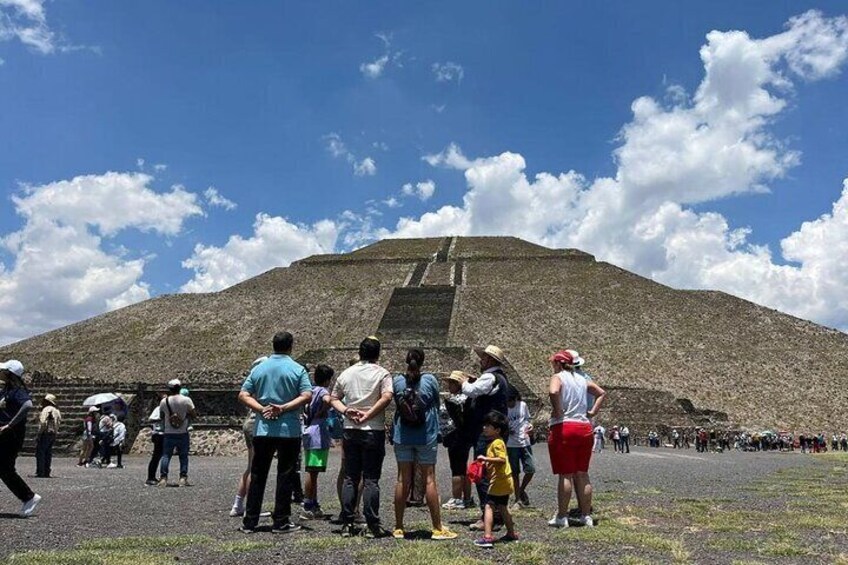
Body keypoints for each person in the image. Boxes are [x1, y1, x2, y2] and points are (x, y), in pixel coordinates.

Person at [238, 332, 312, 533]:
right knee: (286, 474)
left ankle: (250, 521)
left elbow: (243, 394)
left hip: (263, 428)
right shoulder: (297, 369)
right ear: (291, 346)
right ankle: (281, 520)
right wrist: (284, 407)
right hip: (289, 430)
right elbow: (307, 395)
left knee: (258, 474)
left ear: (273, 345)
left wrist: (261, 409)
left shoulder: (260, 369)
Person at [330, 336, 393, 539]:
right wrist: (369, 414)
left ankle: (347, 521)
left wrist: (346, 411)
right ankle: (373, 524)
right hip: (372, 429)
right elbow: (387, 396)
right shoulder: (382, 373)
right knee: (371, 479)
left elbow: (333, 398)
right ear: (377, 353)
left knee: (350, 477)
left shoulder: (347, 373)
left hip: (351, 429)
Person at [391, 348, 456, 540]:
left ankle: (398, 527)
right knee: (429, 479)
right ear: (422, 362)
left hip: (402, 435)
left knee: (403, 479)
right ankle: (437, 527)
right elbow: (435, 404)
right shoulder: (430, 380)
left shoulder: (397, 381)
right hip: (425, 435)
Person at [546, 350, 606, 528]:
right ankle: (586, 516)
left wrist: (557, 410)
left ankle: (562, 516)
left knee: (565, 474)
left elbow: (553, 391)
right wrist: (593, 412)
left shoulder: (558, 376)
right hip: (584, 428)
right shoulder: (582, 378)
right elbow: (601, 393)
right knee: (582, 473)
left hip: (565, 427)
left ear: (558, 363)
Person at [463, 345, 510, 531]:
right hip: (497, 430)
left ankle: (487, 515)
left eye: (483, 358)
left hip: (487, 431)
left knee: (482, 472)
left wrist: (464, 382)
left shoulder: (490, 377)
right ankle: (496, 513)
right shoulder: (502, 379)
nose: (480, 361)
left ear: (490, 360)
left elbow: (471, 391)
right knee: (494, 472)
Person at [0, 360, 42, 517]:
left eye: (3, 370)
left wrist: (10, 425)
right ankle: (28, 497)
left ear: (9, 374)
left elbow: (28, 405)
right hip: (4, 435)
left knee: (6, 470)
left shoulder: (17, 391)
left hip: (11, 436)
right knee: (4, 470)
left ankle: (29, 497)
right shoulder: (7, 390)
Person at [473, 411, 518, 548]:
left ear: (497, 430)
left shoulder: (497, 443)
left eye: (488, 426)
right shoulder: (496, 442)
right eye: (484, 425)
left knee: (488, 506)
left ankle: (487, 537)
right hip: (504, 479)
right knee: (503, 507)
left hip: (499, 481)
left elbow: (501, 459)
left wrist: (485, 458)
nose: (484, 428)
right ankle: (511, 533)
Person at [230, 356, 268, 517]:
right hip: (256, 425)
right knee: (256, 469)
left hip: (250, 424)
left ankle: (238, 505)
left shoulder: (252, 383)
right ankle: (252, 509)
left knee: (251, 467)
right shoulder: (262, 383)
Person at [301, 364, 335, 520]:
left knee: (313, 471)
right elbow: (327, 399)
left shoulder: (311, 391)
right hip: (317, 433)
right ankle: (308, 504)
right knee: (312, 471)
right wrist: (325, 408)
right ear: (327, 380)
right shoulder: (322, 391)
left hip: (309, 430)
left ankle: (313, 502)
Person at [440, 371, 475, 510]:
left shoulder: (456, 400)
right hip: (464, 436)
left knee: (456, 468)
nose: (449, 386)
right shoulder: (468, 398)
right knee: (463, 467)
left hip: (455, 436)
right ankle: (467, 498)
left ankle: (456, 499)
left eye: (452, 383)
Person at [158, 378, 197, 487]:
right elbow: (194, 414)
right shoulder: (186, 400)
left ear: (170, 389)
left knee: (166, 456)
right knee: (183, 456)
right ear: (180, 388)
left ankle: (163, 478)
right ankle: (183, 478)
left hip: (168, 432)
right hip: (183, 431)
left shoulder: (164, 401)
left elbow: (161, 416)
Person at [506, 387, 535, 508]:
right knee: (515, 473)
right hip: (511, 444)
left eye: (512, 400)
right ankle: (517, 499)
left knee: (530, 469)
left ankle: (522, 490)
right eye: (508, 401)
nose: (510, 403)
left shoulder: (523, 405)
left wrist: (531, 426)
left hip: (525, 442)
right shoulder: (504, 409)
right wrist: (507, 431)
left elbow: (528, 419)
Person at [35, 393, 61, 478]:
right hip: (52, 434)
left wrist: (39, 433)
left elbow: (43, 422)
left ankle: (40, 471)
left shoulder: (46, 409)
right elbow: (58, 424)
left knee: (41, 453)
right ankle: (47, 471)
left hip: (45, 433)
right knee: (48, 453)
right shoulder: (57, 411)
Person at [145, 394, 166, 485]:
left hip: (164, 434)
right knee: (156, 456)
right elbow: (150, 420)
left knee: (161, 456)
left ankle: (160, 476)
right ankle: (150, 477)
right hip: (158, 434)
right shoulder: (158, 409)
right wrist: (160, 418)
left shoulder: (166, 409)